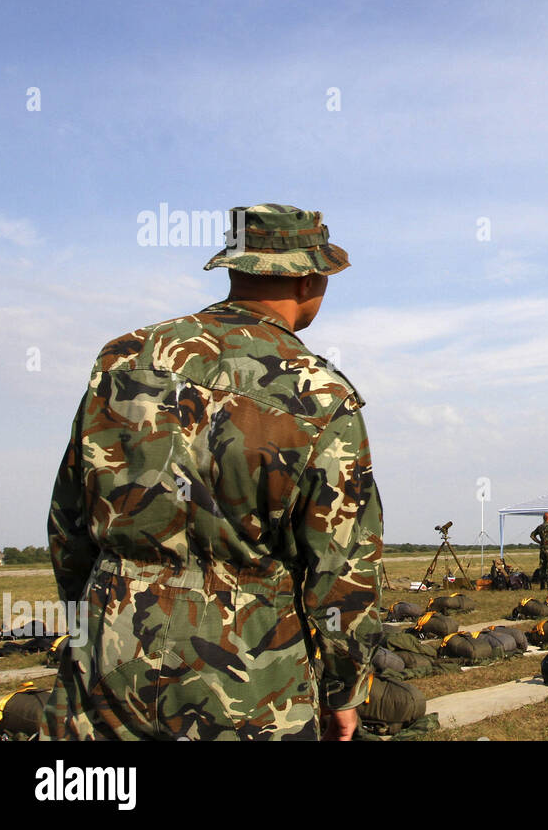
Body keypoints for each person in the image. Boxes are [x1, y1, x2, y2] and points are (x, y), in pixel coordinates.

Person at [42, 204, 382, 741]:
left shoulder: (123, 359)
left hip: (108, 664)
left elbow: (68, 523)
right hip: (250, 682)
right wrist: (344, 691)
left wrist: (92, 623)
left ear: (234, 269)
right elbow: (342, 574)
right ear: (311, 279)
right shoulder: (321, 395)